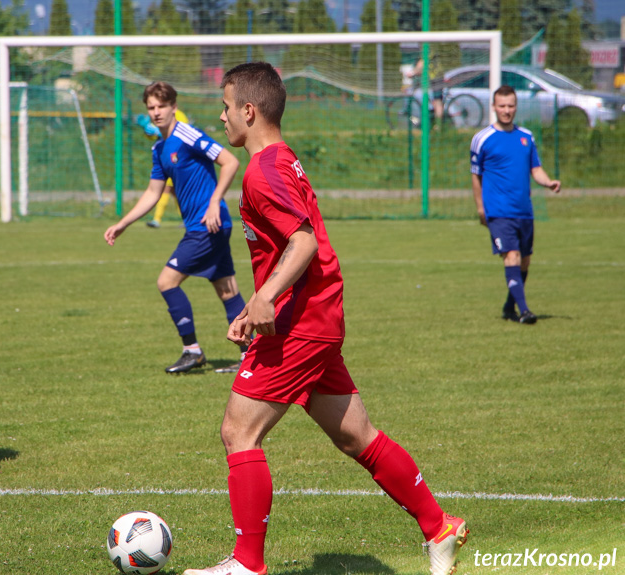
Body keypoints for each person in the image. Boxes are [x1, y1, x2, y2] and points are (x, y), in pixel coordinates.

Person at [181, 62, 467, 575]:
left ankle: (247, 565)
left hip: (299, 324)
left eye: (225, 107)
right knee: (357, 436)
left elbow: (304, 242)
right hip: (315, 316)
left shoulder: (264, 170)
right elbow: (289, 245)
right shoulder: (284, 160)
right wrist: (255, 305)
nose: (220, 116)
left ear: (248, 110)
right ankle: (439, 528)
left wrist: (265, 297)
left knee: (238, 432)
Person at [104, 81, 246, 374]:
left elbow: (230, 162)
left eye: (161, 106)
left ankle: (192, 351)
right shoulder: (159, 148)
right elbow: (153, 193)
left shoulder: (187, 134)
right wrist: (123, 224)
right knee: (227, 290)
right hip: (203, 227)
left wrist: (213, 201)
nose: (156, 113)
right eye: (151, 108)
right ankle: (251, 356)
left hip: (208, 225)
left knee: (166, 282)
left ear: (173, 107)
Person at [471, 85, 561, 324]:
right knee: (511, 255)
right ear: (493, 107)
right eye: (502, 106)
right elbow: (476, 176)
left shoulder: (526, 137)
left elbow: (536, 169)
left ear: (516, 107)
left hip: (524, 210)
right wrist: (481, 208)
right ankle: (524, 311)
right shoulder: (482, 139)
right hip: (498, 211)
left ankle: (509, 306)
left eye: (511, 105)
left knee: (524, 260)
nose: (506, 110)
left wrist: (548, 182)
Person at [137, 109, 189, 229]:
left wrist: (162, 132)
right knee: (174, 192)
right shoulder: (158, 115)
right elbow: (154, 136)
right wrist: (148, 130)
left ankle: (157, 219)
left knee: (167, 188)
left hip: (177, 158)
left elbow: (183, 135)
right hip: (163, 157)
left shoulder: (179, 115)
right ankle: (187, 219)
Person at [410, 54, 445, 127]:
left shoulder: (430, 50)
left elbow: (421, 64)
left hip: (436, 78)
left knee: (437, 102)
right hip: (434, 78)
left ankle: (438, 126)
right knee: (432, 99)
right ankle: (432, 121)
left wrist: (413, 72)